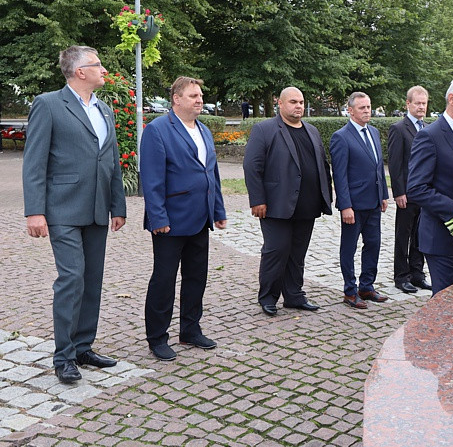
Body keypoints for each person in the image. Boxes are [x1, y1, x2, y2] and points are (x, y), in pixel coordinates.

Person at [22, 45, 127, 384]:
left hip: (97, 208)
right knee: (72, 278)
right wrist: (35, 211)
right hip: (62, 208)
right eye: (98, 65)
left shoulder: (105, 110)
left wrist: (118, 205)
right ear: (81, 71)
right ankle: (63, 357)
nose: (103, 70)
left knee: (92, 280)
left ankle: (83, 347)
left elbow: (110, 161)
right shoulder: (49, 104)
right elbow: (34, 162)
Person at [140, 76, 227, 361]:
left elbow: (211, 173)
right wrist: (158, 218)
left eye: (200, 96)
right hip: (171, 221)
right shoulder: (158, 130)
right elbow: (151, 180)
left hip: (200, 218)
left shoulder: (203, 130)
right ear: (176, 99)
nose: (199, 100)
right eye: (193, 96)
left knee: (196, 278)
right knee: (164, 280)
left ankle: (190, 329)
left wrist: (218, 211)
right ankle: (157, 337)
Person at [243, 87, 332, 316]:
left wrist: (326, 196)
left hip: (307, 204)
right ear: (279, 104)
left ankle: (294, 295)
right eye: (293, 101)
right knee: (276, 250)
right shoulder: (264, 129)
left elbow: (322, 164)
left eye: (301, 102)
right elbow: (252, 166)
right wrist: (257, 199)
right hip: (276, 205)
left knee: (298, 253)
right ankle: (268, 297)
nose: (298, 106)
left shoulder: (312, 130)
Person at [406, 76, 453, 296]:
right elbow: (416, 188)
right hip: (440, 236)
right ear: (452, 98)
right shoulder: (429, 136)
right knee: (445, 302)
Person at [330, 92, 390, 309]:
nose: (367, 111)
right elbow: (340, 175)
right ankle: (349, 291)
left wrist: (383, 194)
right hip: (353, 206)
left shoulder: (373, 132)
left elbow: (378, 167)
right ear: (350, 110)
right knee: (349, 247)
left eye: (369, 107)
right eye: (362, 108)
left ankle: (367, 286)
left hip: (374, 203)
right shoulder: (341, 137)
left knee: (373, 244)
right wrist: (345, 205)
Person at [387, 86, 432, 293]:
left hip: (426, 194)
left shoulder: (428, 128)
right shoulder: (399, 128)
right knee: (403, 236)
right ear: (408, 104)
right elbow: (395, 164)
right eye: (417, 103)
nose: (421, 106)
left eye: (424, 103)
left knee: (420, 236)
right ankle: (401, 276)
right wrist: (398, 192)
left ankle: (417, 274)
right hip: (407, 194)